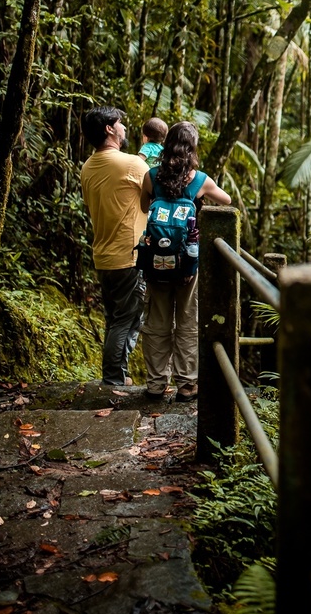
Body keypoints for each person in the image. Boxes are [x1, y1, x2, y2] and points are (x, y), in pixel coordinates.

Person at [139, 121, 231, 402]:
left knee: (157, 321)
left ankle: (156, 384)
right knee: (188, 320)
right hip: (187, 262)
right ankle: (187, 385)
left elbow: (143, 207)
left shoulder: (151, 176)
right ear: (192, 149)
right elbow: (226, 200)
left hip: (156, 260)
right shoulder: (200, 180)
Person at [79, 106, 149, 386]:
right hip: (128, 255)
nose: (124, 128)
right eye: (120, 123)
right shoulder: (132, 164)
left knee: (114, 319)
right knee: (127, 320)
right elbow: (160, 193)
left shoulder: (87, 167)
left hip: (103, 254)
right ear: (109, 129)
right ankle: (113, 380)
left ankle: (116, 374)